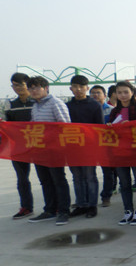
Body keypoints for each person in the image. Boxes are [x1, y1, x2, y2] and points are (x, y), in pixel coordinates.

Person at [26, 76, 72, 225]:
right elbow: (33, 126)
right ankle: (50, 210)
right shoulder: (35, 106)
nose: (33, 91)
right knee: (45, 181)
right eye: (31, 88)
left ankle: (64, 211)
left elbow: (65, 125)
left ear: (46, 88)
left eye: (36, 87)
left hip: (54, 150)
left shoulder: (56, 103)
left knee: (58, 180)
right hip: (40, 150)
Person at [108, 81, 136, 225]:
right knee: (124, 183)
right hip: (120, 152)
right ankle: (128, 210)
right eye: (119, 92)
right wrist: (110, 128)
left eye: (126, 92)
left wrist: (132, 127)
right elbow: (109, 133)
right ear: (116, 94)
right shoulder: (114, 112)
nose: (123, 95)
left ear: (132, 93)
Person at [66, 75, 104, 219]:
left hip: (89, 147)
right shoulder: (67, 106)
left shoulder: (94, 105)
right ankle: (81, 205)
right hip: (72, 147)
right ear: (70, 88)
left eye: (81, 87)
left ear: (87, 88)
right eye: (75, 86)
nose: (78, 89)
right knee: (77, 177)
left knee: (90, 177)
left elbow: (100, 128)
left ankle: (92, 205)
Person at [4, 73, 35, 219]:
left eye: (20, 85)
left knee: (47, 177)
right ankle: (26, 207)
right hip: (19, 147)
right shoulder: (10, 104)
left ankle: (53, 207)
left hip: (38, 144)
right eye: (14, 85)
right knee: (22, 178)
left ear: (27, 85)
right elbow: (7, 126)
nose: (17, 88)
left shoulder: (37, 102)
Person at [89, 85, 116, 207]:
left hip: (106, 145)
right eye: (93, 93)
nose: (95, 95)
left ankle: (106, 196)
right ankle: (88, 198)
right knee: (89, 173)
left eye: (98, 93)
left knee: (108, 172)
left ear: (105, 96)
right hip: (90, 145)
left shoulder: (111, 110)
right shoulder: (87, 109)